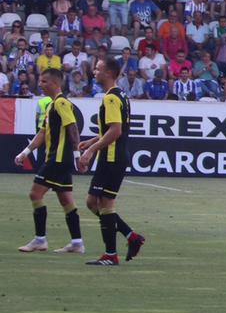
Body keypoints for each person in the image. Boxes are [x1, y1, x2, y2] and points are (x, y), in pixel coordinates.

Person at [75, 57, 145, 265]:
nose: (94, 72)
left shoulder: (111, 98)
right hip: (113, 156)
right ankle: (131, 237)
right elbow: (112, 130)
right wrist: (92, 141)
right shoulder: (120, 95)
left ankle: (110, 254)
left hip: (113, 157)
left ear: (108, 73)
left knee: (103, 203)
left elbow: (116, 130)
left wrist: (91, 152)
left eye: (98, 69)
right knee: (93, 202)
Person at [15, 68, 84, 254]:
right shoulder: (52, 105)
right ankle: (77, 243)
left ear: (55, 84)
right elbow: (43, 132)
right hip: (59, 159)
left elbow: (73, 128)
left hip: (59, 159)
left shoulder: (61, 102)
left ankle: (40, 240)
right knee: (66, 199)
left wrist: (78, 155)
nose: (40, 84)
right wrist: (25, 152)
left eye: (44, 81)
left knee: (35, 194)